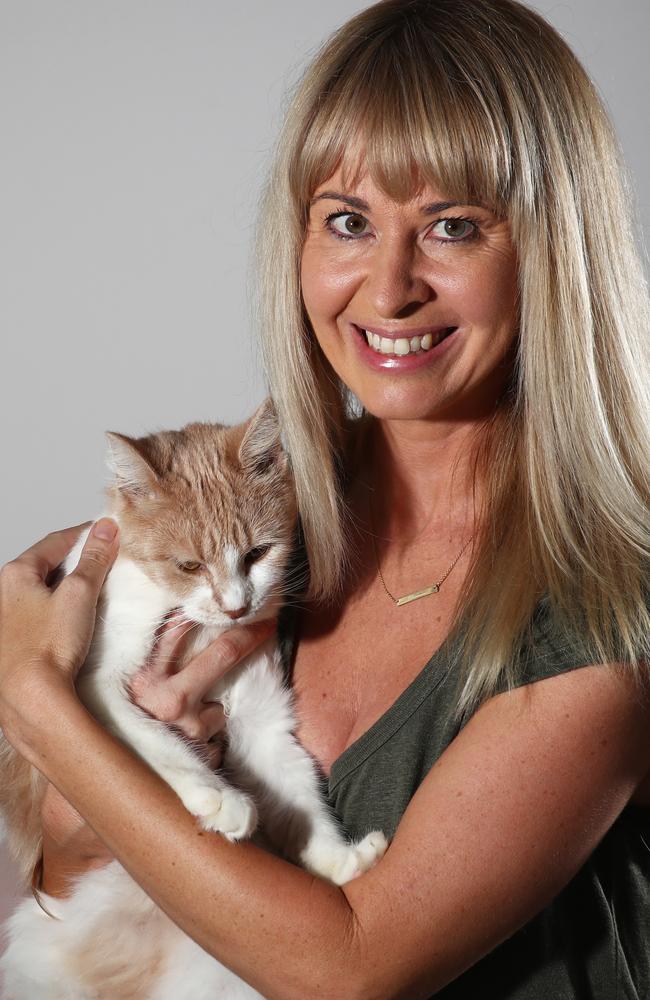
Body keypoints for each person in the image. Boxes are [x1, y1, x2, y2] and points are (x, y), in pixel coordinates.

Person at [1, 0, 649, 996]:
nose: (387, 289)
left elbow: (348, 970)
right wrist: (83, 809)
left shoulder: (609, 604)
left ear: (549, 252)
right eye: (347, 221)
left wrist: (41, 705)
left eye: (451, 227)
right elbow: (68, 871)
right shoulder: (250, 512)